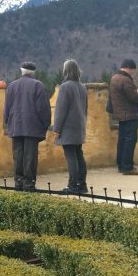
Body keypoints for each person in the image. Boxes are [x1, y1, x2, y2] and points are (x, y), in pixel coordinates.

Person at [3, 61, 51, 192]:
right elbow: (43, 108)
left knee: (18, 155)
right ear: (33, 72)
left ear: (21, 71)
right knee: (30, 157)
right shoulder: (38, 85)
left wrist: (7, 122)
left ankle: (18, 182)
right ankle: (29, 184)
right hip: (32, 127)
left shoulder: (12, 86)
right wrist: (45, 124)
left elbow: (6, 108)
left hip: (15, 126)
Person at [52, 59, 88, 194]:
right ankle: (82, 185)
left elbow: (60, 111)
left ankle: (73, 186)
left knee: (71, 156)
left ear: (65, 71)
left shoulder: (65, 87)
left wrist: (57, 129)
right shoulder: (82, 87)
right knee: (79, 155)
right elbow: (85, 109)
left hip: (68, 128)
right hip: (79, 126)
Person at [108, 58, 138, 175]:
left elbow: (123, 96)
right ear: (130, 68)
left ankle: (121, 165)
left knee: (122, 141)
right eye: (133, 70)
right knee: (130, 141)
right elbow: (133, 97)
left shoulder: (114, 78)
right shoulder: (126, 80)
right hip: (129, 115)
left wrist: (136, 91)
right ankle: (128, 167)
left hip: (121, 115)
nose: (133, 73)